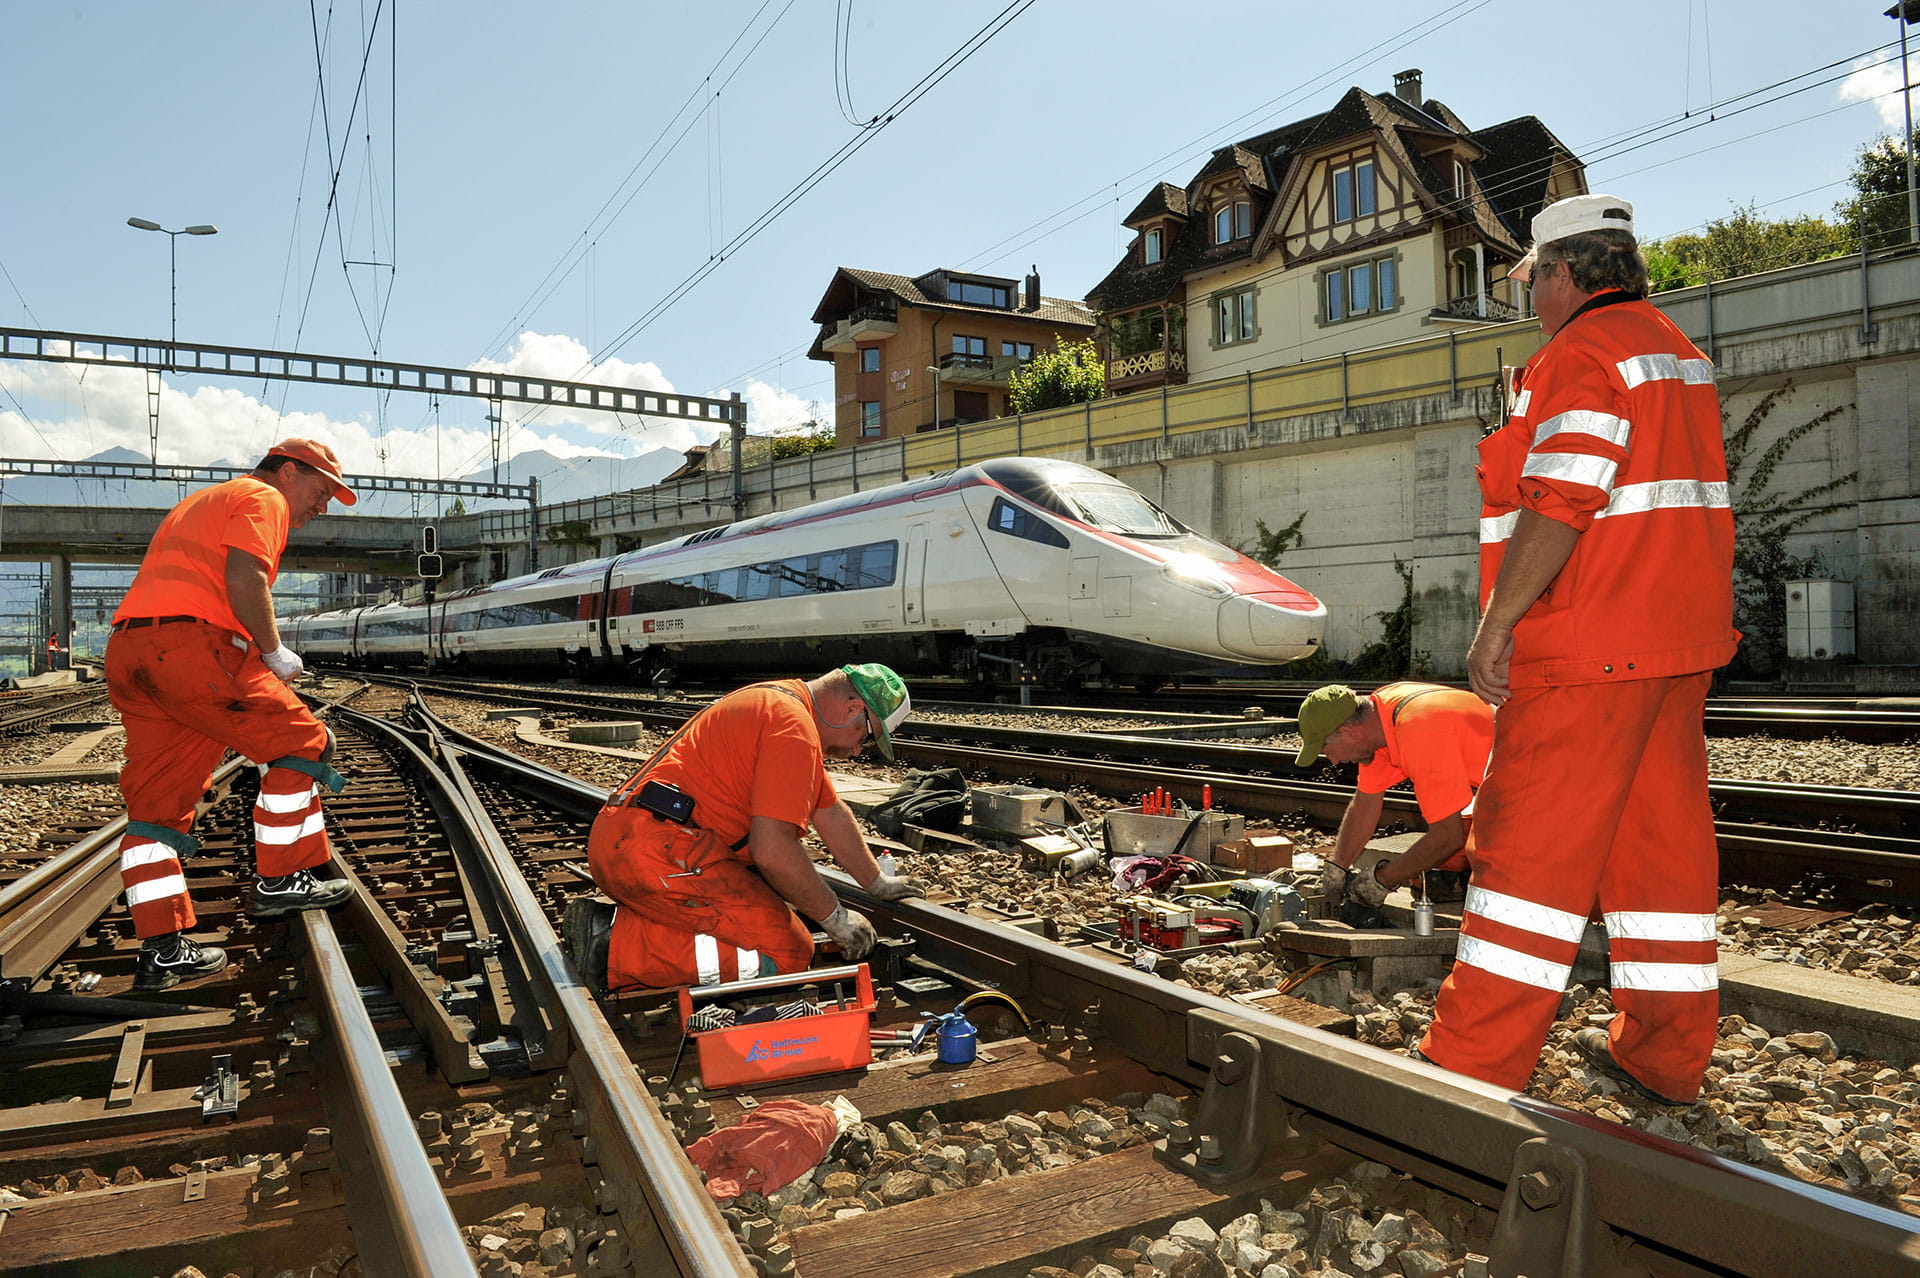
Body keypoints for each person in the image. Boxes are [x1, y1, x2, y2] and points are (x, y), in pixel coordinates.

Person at [1417, 194, 1736, 1106]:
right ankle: (1664, 1057)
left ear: (1563, 273)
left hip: (1589, 647)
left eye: (1532, 281)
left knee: (1526, 857)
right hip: (1676, 646)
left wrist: (1497, 626)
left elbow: (1564, 494)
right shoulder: (1679, 355)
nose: (1530, 300)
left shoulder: (1582, 355)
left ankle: (1466, 1065)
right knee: (1659, 857)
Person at [107, 438, 357, 991]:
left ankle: (163, 949)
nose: (323, 506)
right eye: (321, 492)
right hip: (191, 648)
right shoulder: (262, 497)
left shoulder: (200, 502)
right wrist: (272, 651)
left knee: (157, 808)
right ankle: (282, 878)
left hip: (131, 652)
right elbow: (246, 578)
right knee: (303, 743)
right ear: (289, 472)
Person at [565, 663, 923, 992]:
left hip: (633, 842)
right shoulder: (793, 729)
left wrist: (876, 881)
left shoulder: (777, 700)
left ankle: (641, 928)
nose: (859, 751)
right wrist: (836, 919)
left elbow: (828, 811)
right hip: (662, 858)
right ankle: (613, 947)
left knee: (769, 914)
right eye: (867, 737)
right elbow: (773, 852)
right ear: (853, 711)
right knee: (789, 952)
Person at [1295, 682, 1493, 905]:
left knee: (1474, 864)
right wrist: (1337, 868)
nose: (1334, 761)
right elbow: (1364, 806)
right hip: (1504, 781)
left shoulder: (1419, 731)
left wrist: (1381, 880)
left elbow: (1447, 837)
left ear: (1348, 733)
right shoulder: (1380, 719)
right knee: (1440, 871)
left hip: (1531, 785)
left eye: (1328, 751)